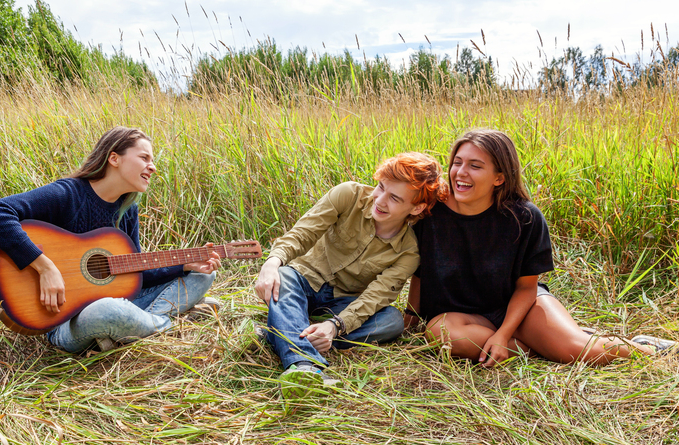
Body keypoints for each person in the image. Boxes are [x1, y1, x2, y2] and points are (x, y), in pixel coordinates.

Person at [405, 128, 675, 366]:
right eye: (457, 162)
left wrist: (503, 335)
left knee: (576, 350)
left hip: (519, 308)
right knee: (443, 336)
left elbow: (526, 287)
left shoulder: (524, 218)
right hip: (460, 317)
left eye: (475, 166)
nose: (461, 172)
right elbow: (419, 271)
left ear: (499, 178)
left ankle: (648, 349)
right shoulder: (430, 212)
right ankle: (545, 346)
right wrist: (410, 318)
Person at [0, 126, 221, 353]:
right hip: (66, 321)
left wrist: (184, 265)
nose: (153, 167)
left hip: (123, 302)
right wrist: (45, 267)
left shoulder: (127, 210)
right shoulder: (68, 194)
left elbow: (135, 274)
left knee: (203, 275)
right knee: (108, 311)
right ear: (114, 158)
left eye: (152, 160)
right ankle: (167, 323)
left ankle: (134, 327)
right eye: (144, 158)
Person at [255, 152, 449, 398]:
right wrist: (272, 263)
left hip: (342, 304)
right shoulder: (348, 195)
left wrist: (334, 327)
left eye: (394, 198)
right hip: (304, 279)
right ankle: (305, 365)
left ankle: (284, 331)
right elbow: (302, 234)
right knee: (284, 277)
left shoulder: (408, 252)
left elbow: (373, 298)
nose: (380, 200)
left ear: (417, 207)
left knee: (392, 321)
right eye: (381, 187)